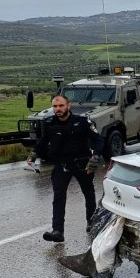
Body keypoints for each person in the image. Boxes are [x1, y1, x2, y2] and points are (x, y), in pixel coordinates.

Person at [27, 95, 103, 243]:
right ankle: (58, 231)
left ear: (69, 106)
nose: (58, 109)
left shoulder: (82, 122)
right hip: (62, 165)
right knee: (58, 197)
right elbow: (43, 142)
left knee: (88, 193)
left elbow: (98, 141)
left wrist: (95, 158)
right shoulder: (50, 124)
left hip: (83, 165)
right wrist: (34, 154)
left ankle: (92, 222)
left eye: (61, 106)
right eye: (55, 106)